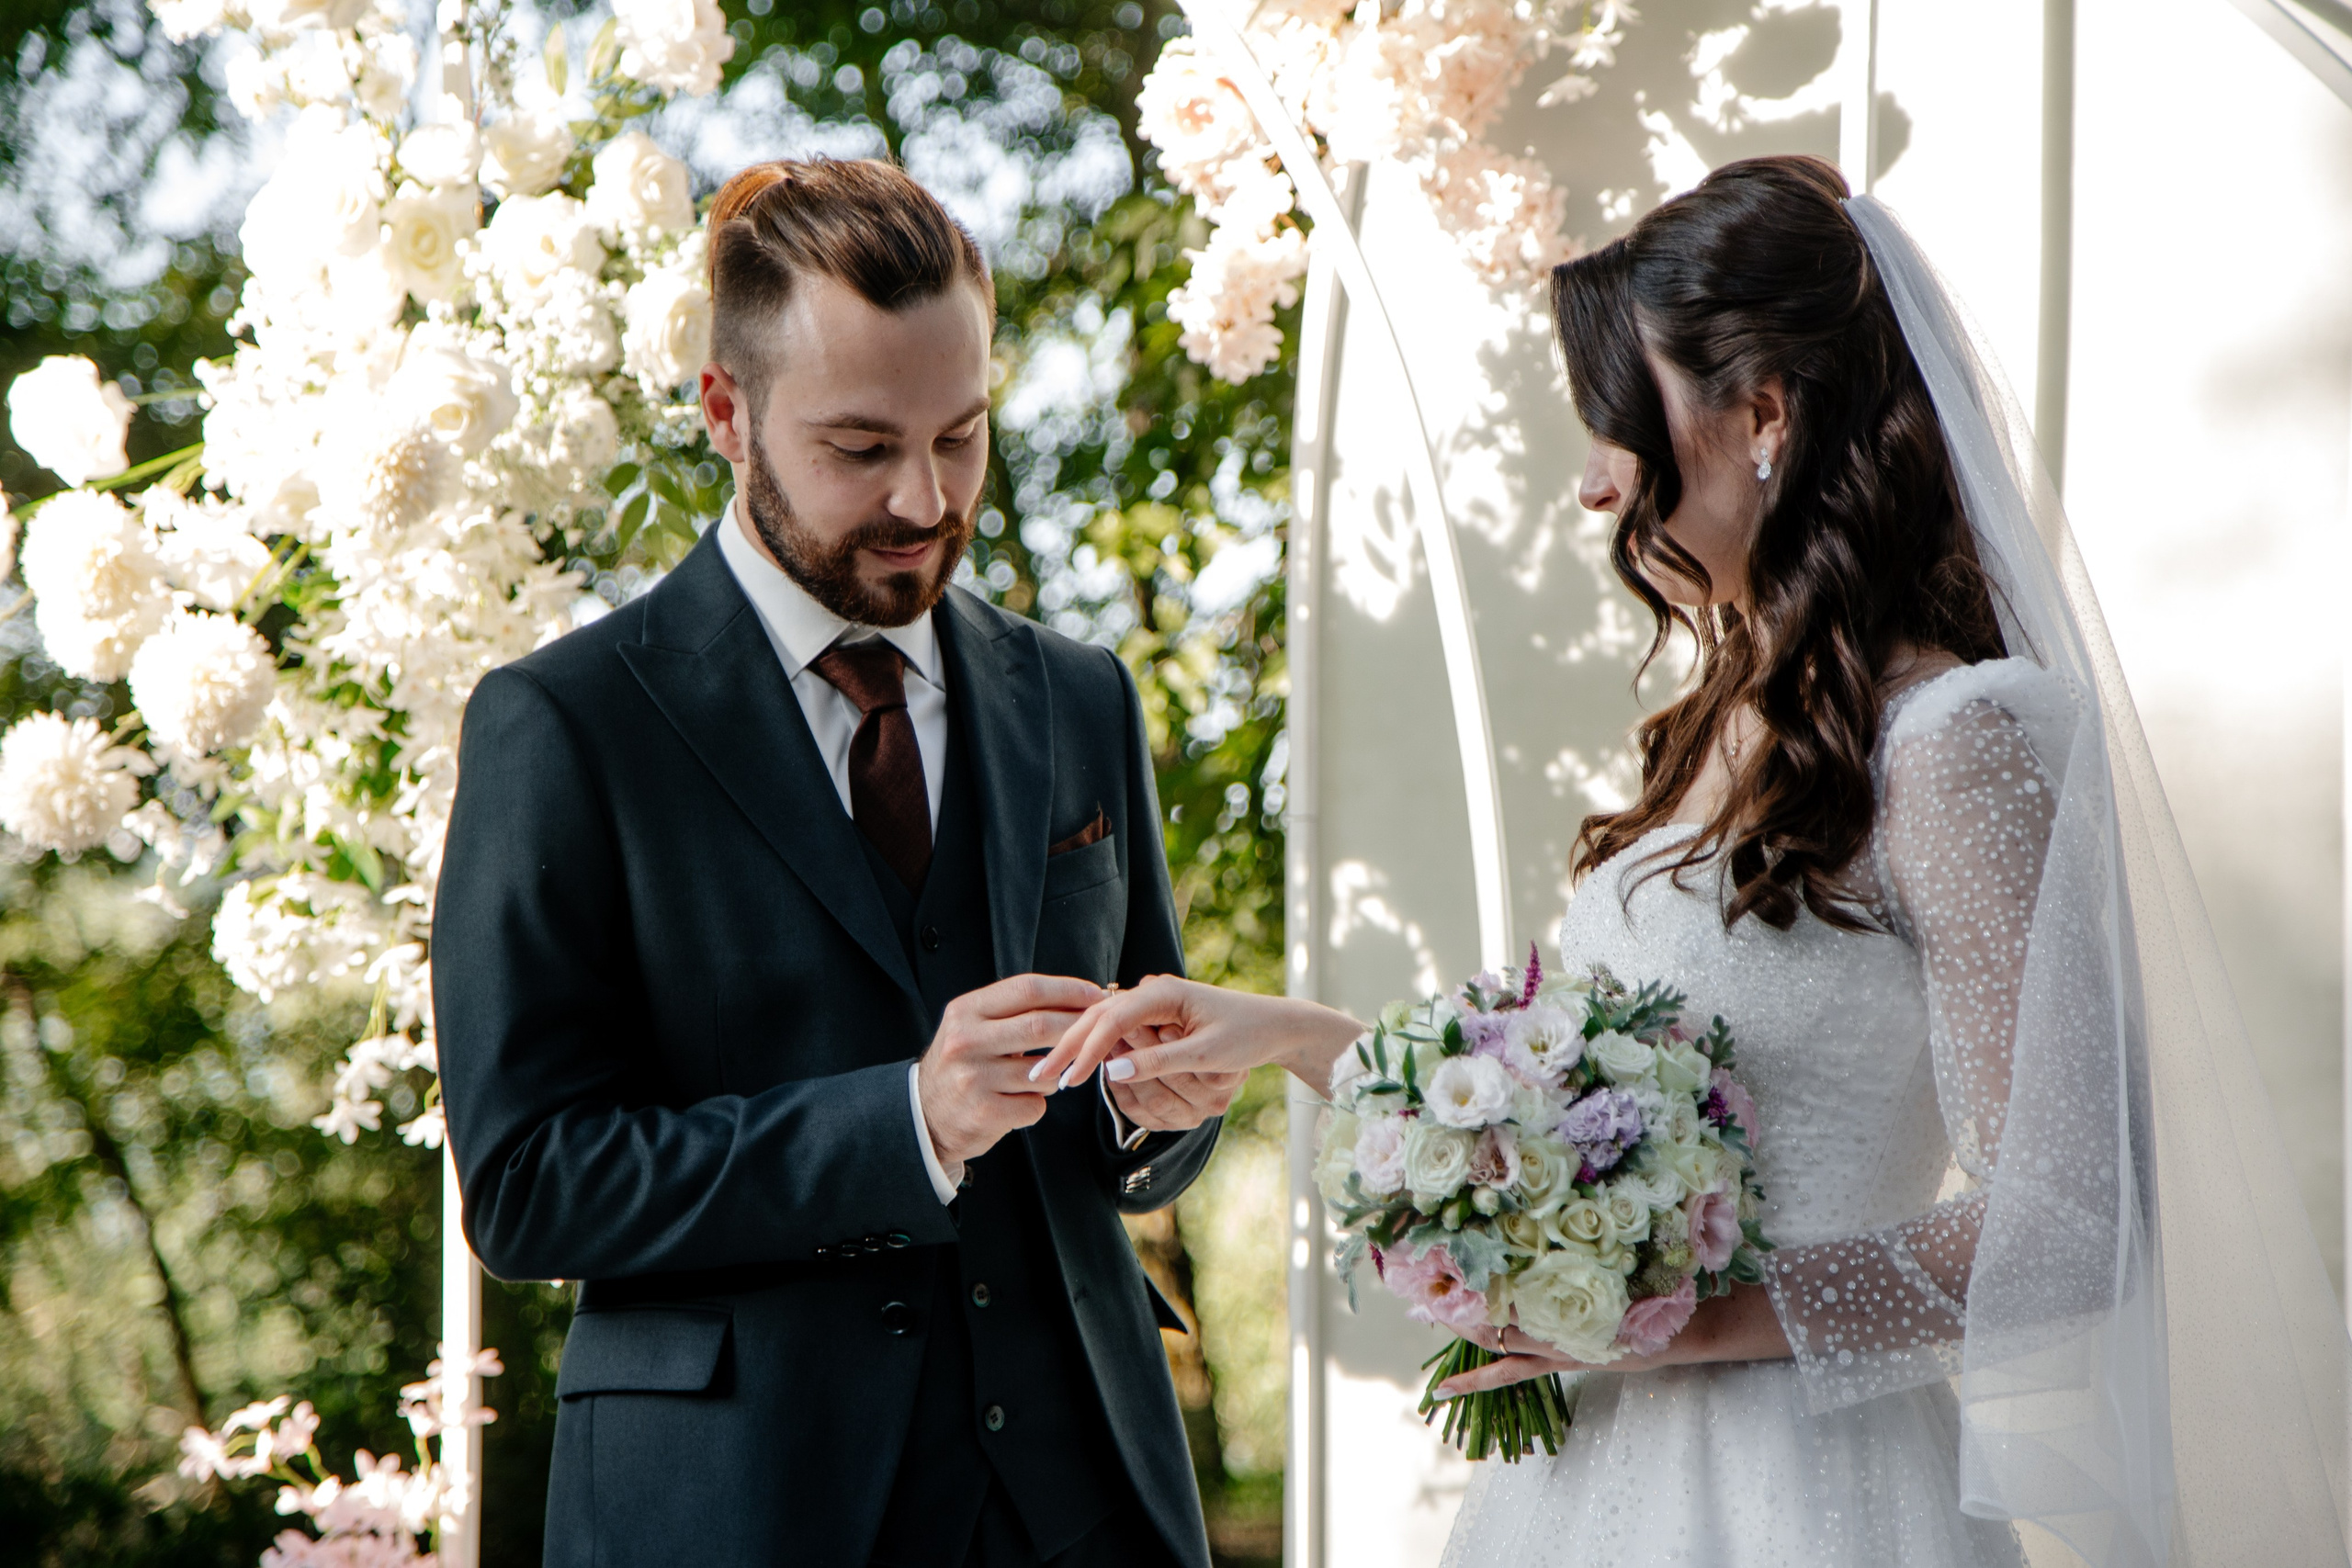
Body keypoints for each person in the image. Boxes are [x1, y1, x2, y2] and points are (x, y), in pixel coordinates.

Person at [1030, 154, 2352, 1565]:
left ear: (1764, 413)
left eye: (1618, 424)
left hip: (1805, 1493)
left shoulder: (1956, 743)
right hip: (1582, 1485)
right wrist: (1284, 1038)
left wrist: (1670, 1322)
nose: (1596, 486)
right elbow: (1569, 1126)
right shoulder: (1728, 719)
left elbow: (2070, 1226)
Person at [433, 158, 1241, 1568]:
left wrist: (1161, 1111)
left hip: (1090, 1501)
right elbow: (528, 1185)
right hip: (738, 1506)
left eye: (965, 436)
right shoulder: (566, 724)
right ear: (724, 414)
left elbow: (1138, 1114)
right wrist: (904, 1124)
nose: (926, 500)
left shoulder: (1080, 695)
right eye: (862, 448)